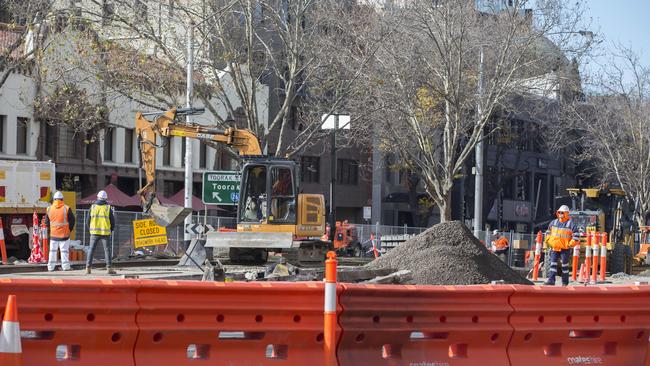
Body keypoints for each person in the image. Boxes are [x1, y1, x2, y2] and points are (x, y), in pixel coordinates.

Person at [544, 205, 579, 286]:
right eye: (559, 212)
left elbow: (576, 235)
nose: (560, 214)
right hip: (555, 248)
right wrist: (549, 242)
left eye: (562, 212)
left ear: (566, 213)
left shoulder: (571, 224)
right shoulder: (553, 222)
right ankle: (551, 280)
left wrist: (570, 245)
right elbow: (548, 233)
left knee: (565, 267)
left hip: (565, 248)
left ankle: (564, 282)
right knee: (553, 265)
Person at [86, 190, 116, 275]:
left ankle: (88, 268)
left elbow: (88, 221)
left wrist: (90, 229)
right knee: (107, 251)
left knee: (91, 250)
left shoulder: (93, 207)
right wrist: (111, 229)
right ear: (106, 198)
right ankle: (109, 268)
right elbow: (112, 221)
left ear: (97, 197)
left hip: (94, 232)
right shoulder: (107, 208)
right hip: (105, 233)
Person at [45, 191, 75, 271]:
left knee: (52, 251)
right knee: (64, 252)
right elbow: (72, 220)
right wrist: (69, 229)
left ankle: (50, 267)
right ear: (62, 199)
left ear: (54, 199)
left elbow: (47, 222)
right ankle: (65, 267)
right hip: (64, 234)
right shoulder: (66, 208)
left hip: (53, 234)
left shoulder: (49, 208)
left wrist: (51, 229)